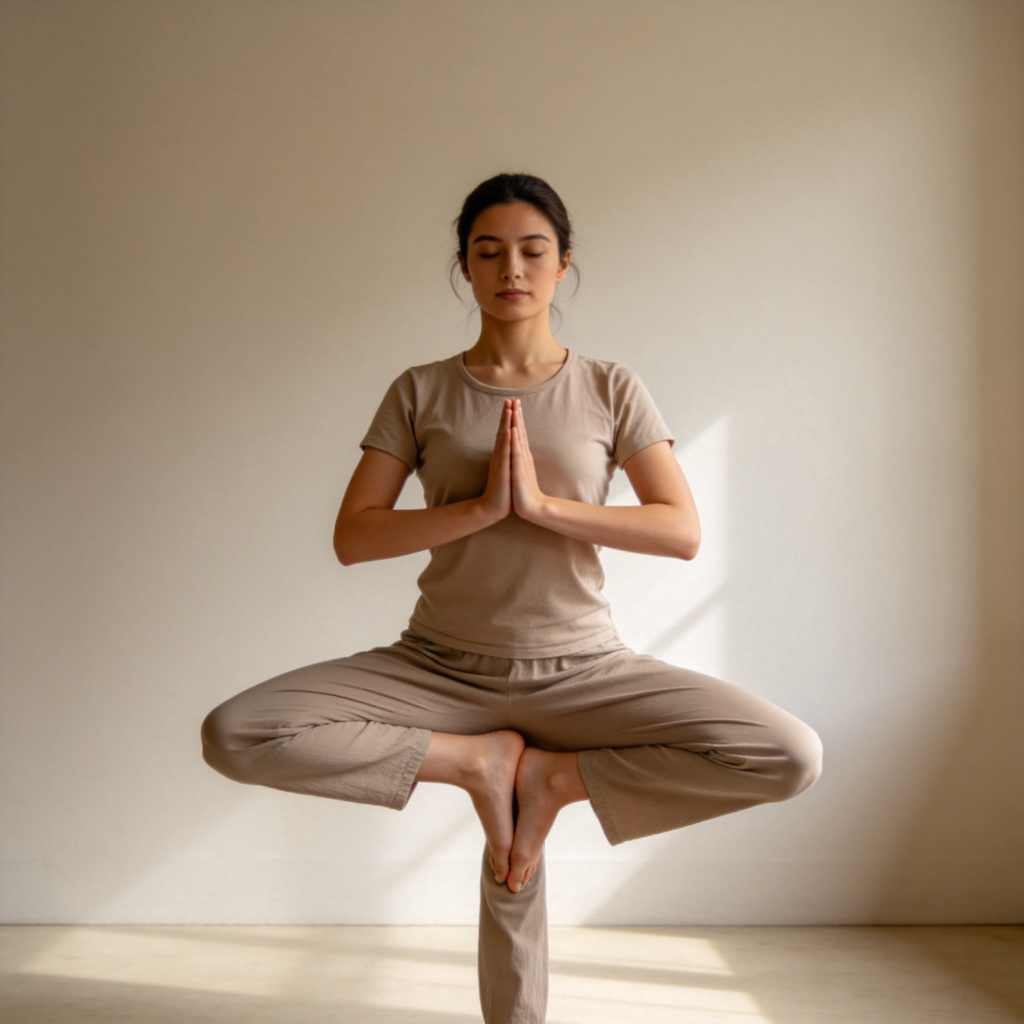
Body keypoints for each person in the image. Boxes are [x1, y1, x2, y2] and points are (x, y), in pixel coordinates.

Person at [201, 172, 822, 1024]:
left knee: (787, 755)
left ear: (564, 263)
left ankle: (553, 778)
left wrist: (539, 506)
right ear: (465, 267)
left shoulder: (610, 386)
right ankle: (480, 764)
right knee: (237, 733)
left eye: (533, 250)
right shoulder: (420, 389)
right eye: (488, 252)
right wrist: (480, 510)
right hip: (436, 667)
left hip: (584, 669)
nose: (512, 269)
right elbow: (355, 536)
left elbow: (680, 530)